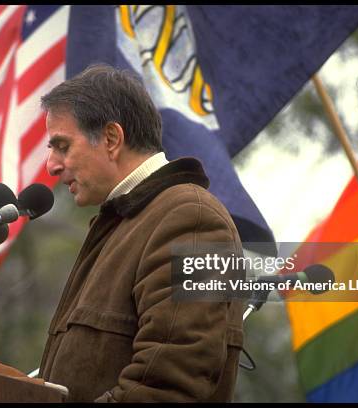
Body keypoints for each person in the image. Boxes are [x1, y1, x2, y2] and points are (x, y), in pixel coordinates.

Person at [38, 64, 244, 402]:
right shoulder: (123, 223)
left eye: (62, 145)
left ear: (111, 139)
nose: (52, 165)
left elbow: (172, 385)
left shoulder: (194, 220)